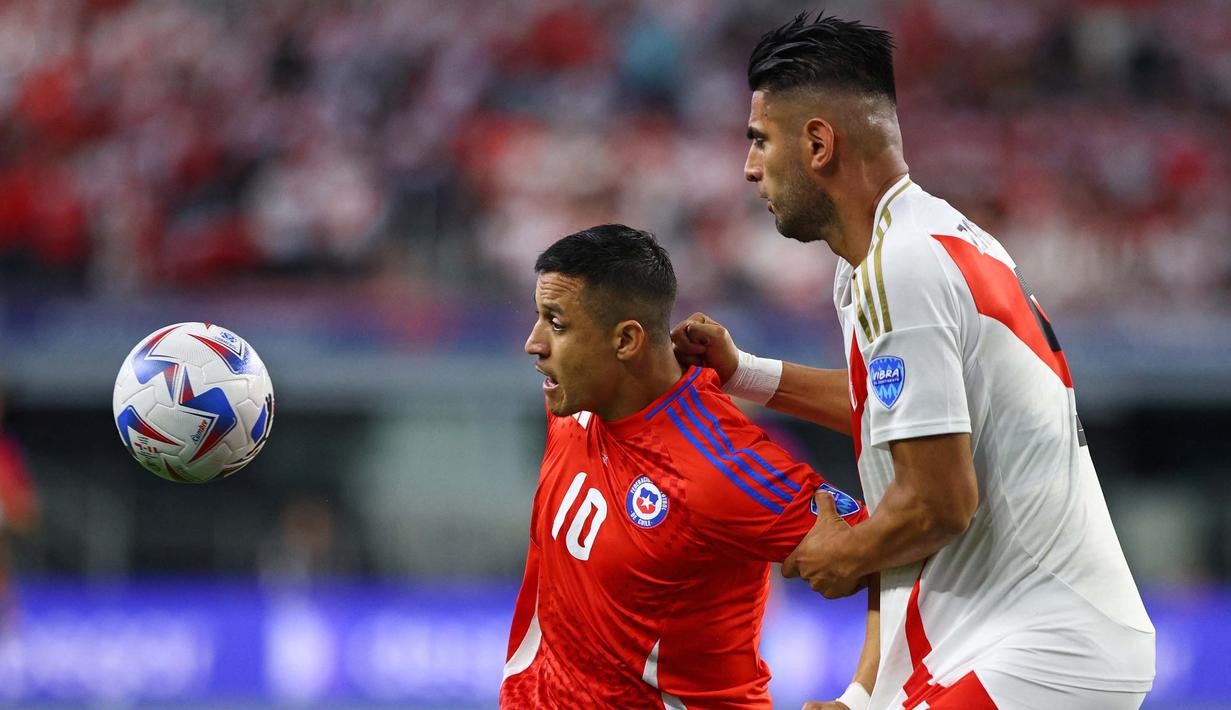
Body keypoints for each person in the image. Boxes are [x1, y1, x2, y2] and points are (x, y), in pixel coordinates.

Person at [673, 13, 1155, 710]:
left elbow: (937, 502)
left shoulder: (900, 266)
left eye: (758, 141)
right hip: (1014, 641)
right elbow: (902, 418)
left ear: (816, 143)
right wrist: (743, 372)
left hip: (1043, 649)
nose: (748, 168)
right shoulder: (916, 244)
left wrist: (841, 556)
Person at [501, 224, 875, 709]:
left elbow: (905, 555)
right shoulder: (577, 404)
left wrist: (862, 697)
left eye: (556, 323)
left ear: (626, 341)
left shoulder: (718, 466)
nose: (533, 343)